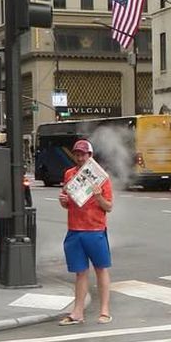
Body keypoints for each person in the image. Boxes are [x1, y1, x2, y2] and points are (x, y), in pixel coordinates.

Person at [57, 138, 114, 324]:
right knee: (80, 272)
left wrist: (98, 196)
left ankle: (104, 310)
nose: (80, 158)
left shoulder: (101, 177)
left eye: (83, 154)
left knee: (100, 269)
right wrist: (63, 201)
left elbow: (109, 206)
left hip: (95, 229)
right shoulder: (69, 174)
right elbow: (67, 203)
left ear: (90, 155)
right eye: (77, 154)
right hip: (75, 229)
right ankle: (77, 312)